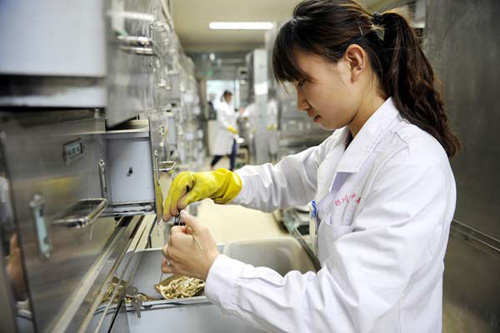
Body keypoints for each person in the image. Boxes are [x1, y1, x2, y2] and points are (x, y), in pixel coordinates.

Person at [160, 0, 460, 332]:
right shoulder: (344, 142)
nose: (300, 103)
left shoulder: (411, 162)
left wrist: (213, 268)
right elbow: (286, 178)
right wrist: (224, 183)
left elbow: (340, 306)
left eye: (304, 82)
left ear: (353, 62)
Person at [211, 90, 238, 171]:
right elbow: (221, 120)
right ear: (225, 96)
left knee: (233, 152)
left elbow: (233, 118)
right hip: (224, 133)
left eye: (230, 96)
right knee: (221, 153)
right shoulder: (221, 106)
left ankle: (232, 169)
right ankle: (212, 164)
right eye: (228, 96)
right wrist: (229, 127)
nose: (230, 98)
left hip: (231, 134)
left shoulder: (230, 107)